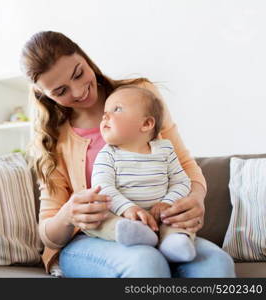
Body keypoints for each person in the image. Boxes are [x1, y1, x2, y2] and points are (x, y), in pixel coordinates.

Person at [20, 30, 235, 277]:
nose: (79, 91)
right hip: (91, 239)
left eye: (78, 73)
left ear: (84, 57)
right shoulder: (53, 138)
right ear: (43, 95)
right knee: (145, 263)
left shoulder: (141, 95)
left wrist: (196, 198)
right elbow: (49, 233)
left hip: (160, 228)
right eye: (60, 91)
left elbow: (183, 164)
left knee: (217, 265)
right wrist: (69, 214)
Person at [84, 85, 196, 263]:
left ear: (146, 124)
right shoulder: (107, 154)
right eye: (105, 111)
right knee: (98, 221)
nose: (105, 116)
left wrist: (167, 202)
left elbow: (182, 182)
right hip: (120, 214)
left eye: (117, 109)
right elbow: (103, 188)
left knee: (177, 219)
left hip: (160, 216)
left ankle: (175, 242)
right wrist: (128, 209)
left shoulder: (165, 149)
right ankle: (136, 234)